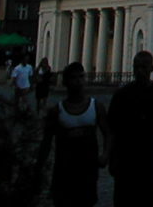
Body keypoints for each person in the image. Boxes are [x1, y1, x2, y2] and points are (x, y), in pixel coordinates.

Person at [107, 51, 153, 207]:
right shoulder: (122, 95)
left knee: (148, 199)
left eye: (144, 67)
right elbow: (112, 128)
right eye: (137, 67)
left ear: (152, 68)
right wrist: (110, 155)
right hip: (125, 157)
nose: (140, 71)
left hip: (150, 157)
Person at [36, 61, 111, 207]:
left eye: (81, 77)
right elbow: (46, 143)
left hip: (87, 172)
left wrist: (105, 155)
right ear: (66, 82)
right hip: (64, 172)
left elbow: (108, 133)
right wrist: (39, 169)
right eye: (73, 77)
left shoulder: (96, 107)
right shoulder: (57, 111)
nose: (78, 81)